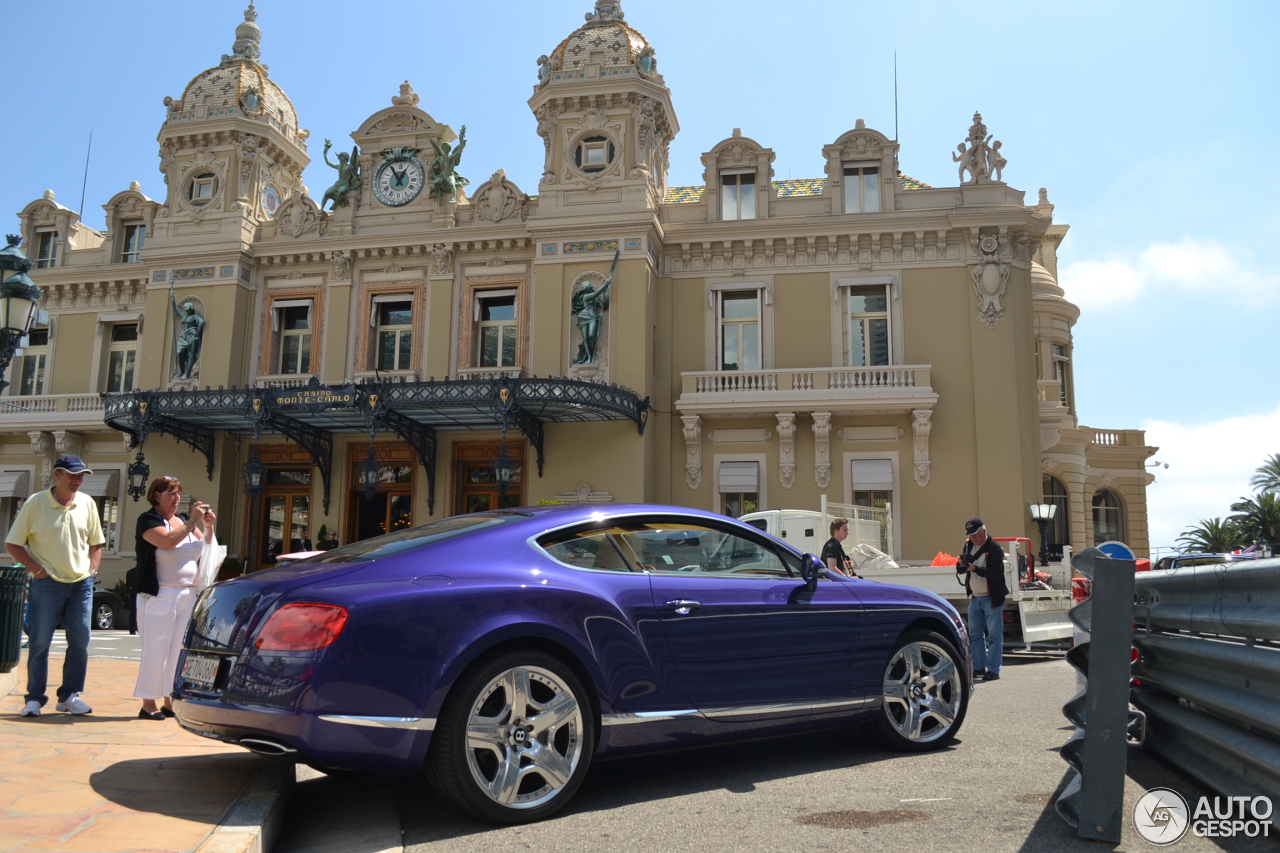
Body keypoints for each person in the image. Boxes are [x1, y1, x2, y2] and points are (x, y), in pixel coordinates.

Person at [4, 455, 106, 717]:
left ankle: (70, 696)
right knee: (39, 643)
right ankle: (34, 699)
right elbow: (13, 544)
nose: (77, 480)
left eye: (81, 475)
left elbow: (97, 542)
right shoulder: (36, 503)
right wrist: (38, 571)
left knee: (80, 643)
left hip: (81, 584)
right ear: (57, 475)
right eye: (72, 475)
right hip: (46, 584)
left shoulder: (87, 503)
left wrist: (92, 571)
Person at [133, 477, 215, 720]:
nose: (176, 498)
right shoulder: (148, 520)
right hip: (159, 594)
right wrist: (193, 521)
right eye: (170, 493)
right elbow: (166, 541)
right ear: (156, 496)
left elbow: (206, 547)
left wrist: (208, 526)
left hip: (186, 594)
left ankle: (170, 700)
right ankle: (148, 703)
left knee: (178, 650)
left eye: (178, 493)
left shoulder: (181, 521)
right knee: (155, 649)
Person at [958, 518, 1008, 682]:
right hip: (975, 597)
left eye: (975, 535)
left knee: (994, 635)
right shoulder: (968, 546)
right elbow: (962, 568)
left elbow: (995, 573)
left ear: (984, 531)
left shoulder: (995, 549)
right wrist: (961, 565)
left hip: (991, 597)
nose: (973, 538)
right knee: (975, 635)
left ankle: (993, 670)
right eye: (970, 535)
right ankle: (978, 667)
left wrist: (975, 569)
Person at [125, 564, 139, 634]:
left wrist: (128, 593)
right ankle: (138, 627)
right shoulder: (141, 571)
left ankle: (132, 628)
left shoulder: (129, 572)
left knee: (132, 611)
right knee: (140, 610)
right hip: (139, 592)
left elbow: (127, 584)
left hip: (131, 592)